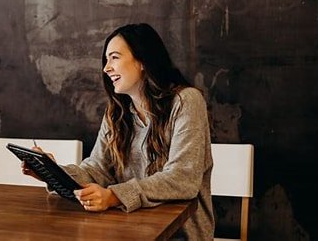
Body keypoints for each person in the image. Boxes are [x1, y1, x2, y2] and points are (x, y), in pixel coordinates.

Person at [22, 23, 215, 240]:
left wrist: (114, 196)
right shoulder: (117, 112)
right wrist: (53, 173)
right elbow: (97, 169)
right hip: (128, 229)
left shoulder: (186, 101)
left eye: (114, 57)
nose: (106, 68)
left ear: (142, 61)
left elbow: (183, 178)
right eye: (106, 60)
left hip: (179, 234)